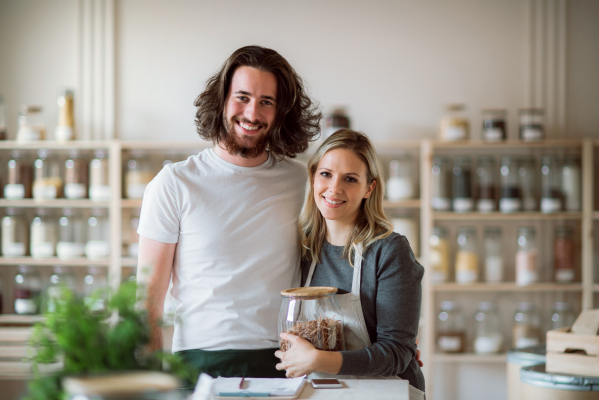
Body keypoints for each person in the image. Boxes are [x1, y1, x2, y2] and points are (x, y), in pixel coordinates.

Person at [136, 45, 321, 380]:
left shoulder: (303, 181)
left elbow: (336, 265)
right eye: (243, 97)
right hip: (198, 364)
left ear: (281, 113)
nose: (252, 113)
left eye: (267, 101)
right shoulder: (174, 183)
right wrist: (149, 383)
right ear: (221, 99)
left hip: (285, 363)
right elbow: (148, 300)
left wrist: (386, 341)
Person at [274, 129, 425, 397]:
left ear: (370, 188)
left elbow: (398, 353)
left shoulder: (389, 250)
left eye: (350, 179)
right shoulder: (304, 247)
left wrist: (318, 361)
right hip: (323, 392)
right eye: (326, 174)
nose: (334, 188)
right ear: (312, 177)